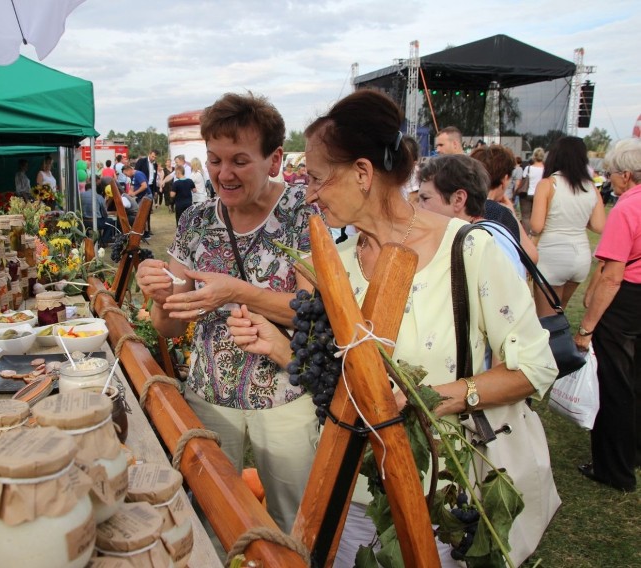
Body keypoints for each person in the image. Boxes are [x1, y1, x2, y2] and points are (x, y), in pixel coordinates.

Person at [227, 90, 556, 565]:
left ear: (362, 173)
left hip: (442, 497)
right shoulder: (333, 266)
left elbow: (533, 368)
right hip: (353, 489)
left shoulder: (468, 251)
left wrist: (423, 401)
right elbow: (339, 379)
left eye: (317, 179)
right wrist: (280, 348)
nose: (310, 194)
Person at [136, 92, 320, 532]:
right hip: (208, 396)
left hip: (285, 396)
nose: (223, 173)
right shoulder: (195, 221)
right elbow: (169, 324)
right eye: (215, 159)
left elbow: (314, 313)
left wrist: (235, 291)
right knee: (211, 518)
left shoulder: (303, 212)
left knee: (295, 522)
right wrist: (161, 294)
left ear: (274, 159)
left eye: (239, 160)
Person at [574, 138, 641, 493]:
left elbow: (612, 276)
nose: (609, 179)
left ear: (627, 175)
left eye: (612, 173)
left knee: (615, 385)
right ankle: (632, 453)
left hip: (627, 297)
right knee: (636, 380)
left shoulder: (627, 209)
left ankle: (614, 469)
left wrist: (587, 328)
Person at [530, 136, 606, 317]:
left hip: (551, 256)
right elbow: (599, 225)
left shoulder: (548, 184)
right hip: (580, 256)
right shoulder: (591, 187)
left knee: (547, 319)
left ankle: (554, 346)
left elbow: (537, 226)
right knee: (559, 312)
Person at [417, 154, 526, 277]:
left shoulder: (480, 244)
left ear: (458, 199)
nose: (418, 208)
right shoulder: (487, 234)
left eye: (425, 199)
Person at [470, 144, 539, 263]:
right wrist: (512, 215)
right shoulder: (501, 213)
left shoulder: (461, 207)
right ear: (504, 178)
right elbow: (531, 257)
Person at [519, 147, 545, 234]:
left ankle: (527, 235)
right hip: (540, 195)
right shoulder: (545, 170)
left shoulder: (528, 168)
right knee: (539, 216)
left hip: (528, 193)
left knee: (526, 217)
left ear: (534, 156)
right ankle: (536, 233)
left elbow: (523, 179)